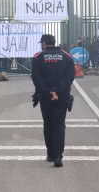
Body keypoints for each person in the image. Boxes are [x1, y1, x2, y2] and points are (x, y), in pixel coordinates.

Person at [31, 34, 75, 168]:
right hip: (61, 97)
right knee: (59, 125)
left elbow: (36, 78)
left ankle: (50, 153)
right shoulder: (66, 56)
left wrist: (48, 92)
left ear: (44, 43)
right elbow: (70, 76)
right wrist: (58, 91)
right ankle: (58, 156)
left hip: (45, 97)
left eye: (41, 43)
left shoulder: (38, 57)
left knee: (48, 124)